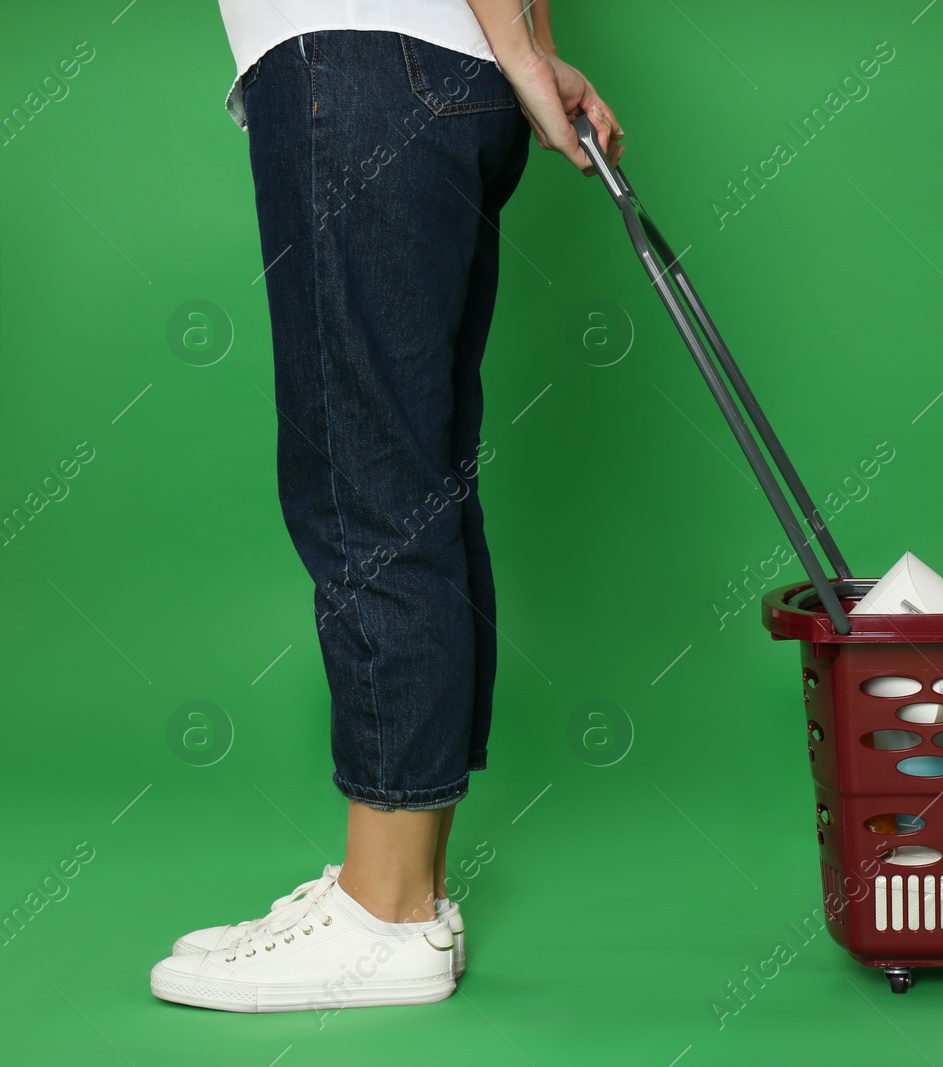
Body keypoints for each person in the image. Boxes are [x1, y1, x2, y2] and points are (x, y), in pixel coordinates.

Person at [150, 0, 621, 1013]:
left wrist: (524, 56)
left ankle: (384, 915)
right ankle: (406, 887)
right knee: (416, 480)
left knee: (368, 483)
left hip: (356, 75)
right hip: (431, 78)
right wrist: (525, 50)